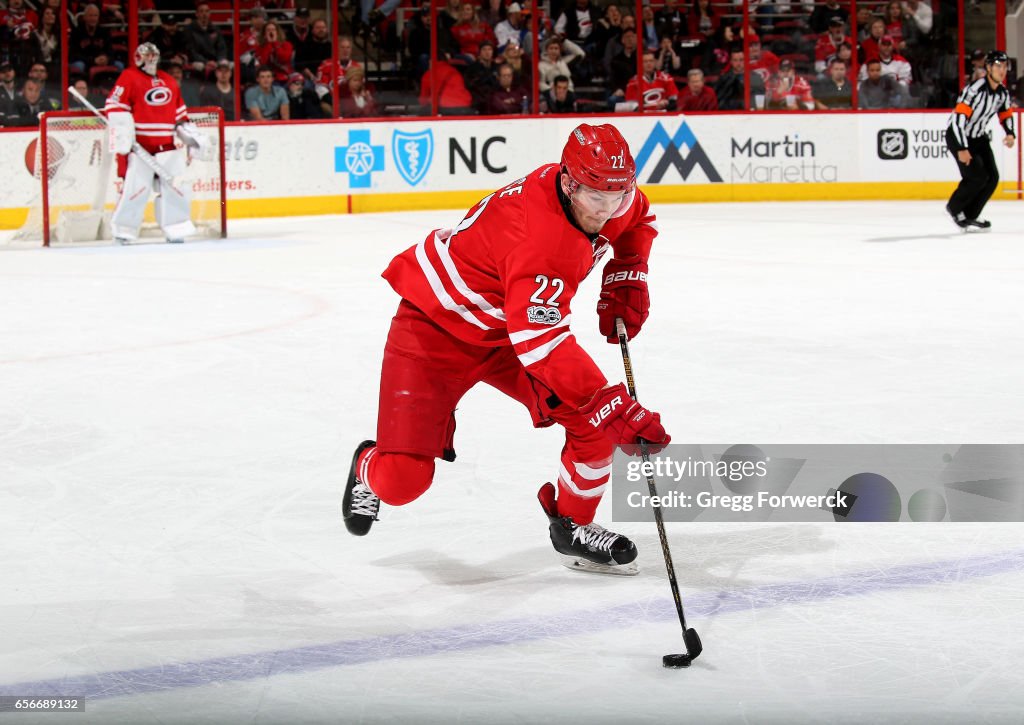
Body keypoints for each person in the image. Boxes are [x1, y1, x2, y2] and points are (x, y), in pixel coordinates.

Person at [343, 123, 670, 576]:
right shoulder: (539, 238)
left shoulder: (609, 194)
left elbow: (637, 218)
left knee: (592, 428)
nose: (608, 210)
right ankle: (367, 463)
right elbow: (542, 344)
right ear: (569, 183)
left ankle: (572, 527)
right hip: (433, 331)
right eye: (598, 198)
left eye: (618, 195)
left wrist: (628, 269)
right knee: (402, 482)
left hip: (509, 331)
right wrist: (607, 403)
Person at [104, 42, 211, 244]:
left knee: (176, 187)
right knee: (136, 189)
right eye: (146, 56)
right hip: (140, 146)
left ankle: (176, 227)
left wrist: (190, 137)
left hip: (167, 146)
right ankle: (123, 230)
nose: (149, 59)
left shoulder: (169, 81)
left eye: (152, 55)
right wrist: (123, 133)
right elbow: (114, 106)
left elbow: (180, 116)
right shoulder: (129, 77)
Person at [945, 50, 1016, 230]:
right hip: (958, 135)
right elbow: (958, 120)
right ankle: (954, 207)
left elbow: (1005, 113)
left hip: (978, 137)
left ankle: (970, 215)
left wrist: (1010, 133)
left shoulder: (1002, 93)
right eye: (998, 66)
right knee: (976, 177)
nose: (1002, 71)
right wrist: (961, 147)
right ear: (988, 68)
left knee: (992, 178)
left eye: (1005, 67)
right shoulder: (974, 90)